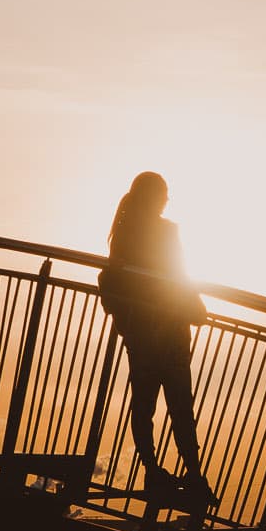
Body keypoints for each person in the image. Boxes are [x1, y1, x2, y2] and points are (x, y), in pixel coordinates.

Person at [99, 172, 213, 506]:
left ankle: (153, 469)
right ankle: (192, 474)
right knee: (180, 406)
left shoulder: (122, 233)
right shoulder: (165, 231)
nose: (167, 200)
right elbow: (179, 274)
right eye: (164, 194)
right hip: (170, 330)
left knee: (145, 404)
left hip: (142, 333)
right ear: (154, 196)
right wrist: (196, 308)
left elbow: (116, 279)